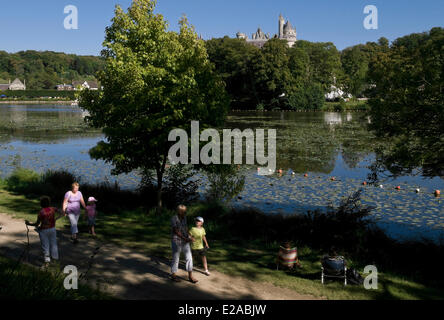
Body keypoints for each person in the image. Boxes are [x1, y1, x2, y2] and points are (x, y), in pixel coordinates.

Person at [25, 196, 63, 267]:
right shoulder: (53, 209)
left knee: (45, 246)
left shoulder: (41, 212)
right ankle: (55, 260)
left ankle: (47, 262)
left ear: (41, 204)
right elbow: (62, 213)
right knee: (54, 244)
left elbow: (37, 224)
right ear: (49, 203)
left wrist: (28, 223)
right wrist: (56, 219)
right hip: (52, 229)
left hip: (43, 231)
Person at [170, 205, 198, 283]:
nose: (185, 212)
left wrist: (190, 235)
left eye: (186, 210)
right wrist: (185, 238)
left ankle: (190, 276)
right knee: (176, 258)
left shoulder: (184, 217)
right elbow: (176, 231)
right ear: (180, 211)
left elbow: (185, 228)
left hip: (185, 241)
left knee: (189, 258)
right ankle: (173, 275)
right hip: (176, 241)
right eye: (184, 211)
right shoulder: (174, 218)